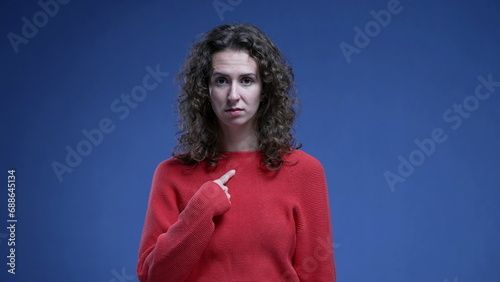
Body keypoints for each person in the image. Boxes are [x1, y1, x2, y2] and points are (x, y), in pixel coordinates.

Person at [136, 23, 336, 281]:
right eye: (221, 81)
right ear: (205, 91)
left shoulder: (305, 172)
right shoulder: (171, 175)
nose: (233, 95)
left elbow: (318, 275)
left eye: (246, 80)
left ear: (264, 89)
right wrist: (200, 211)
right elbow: (155, 277)